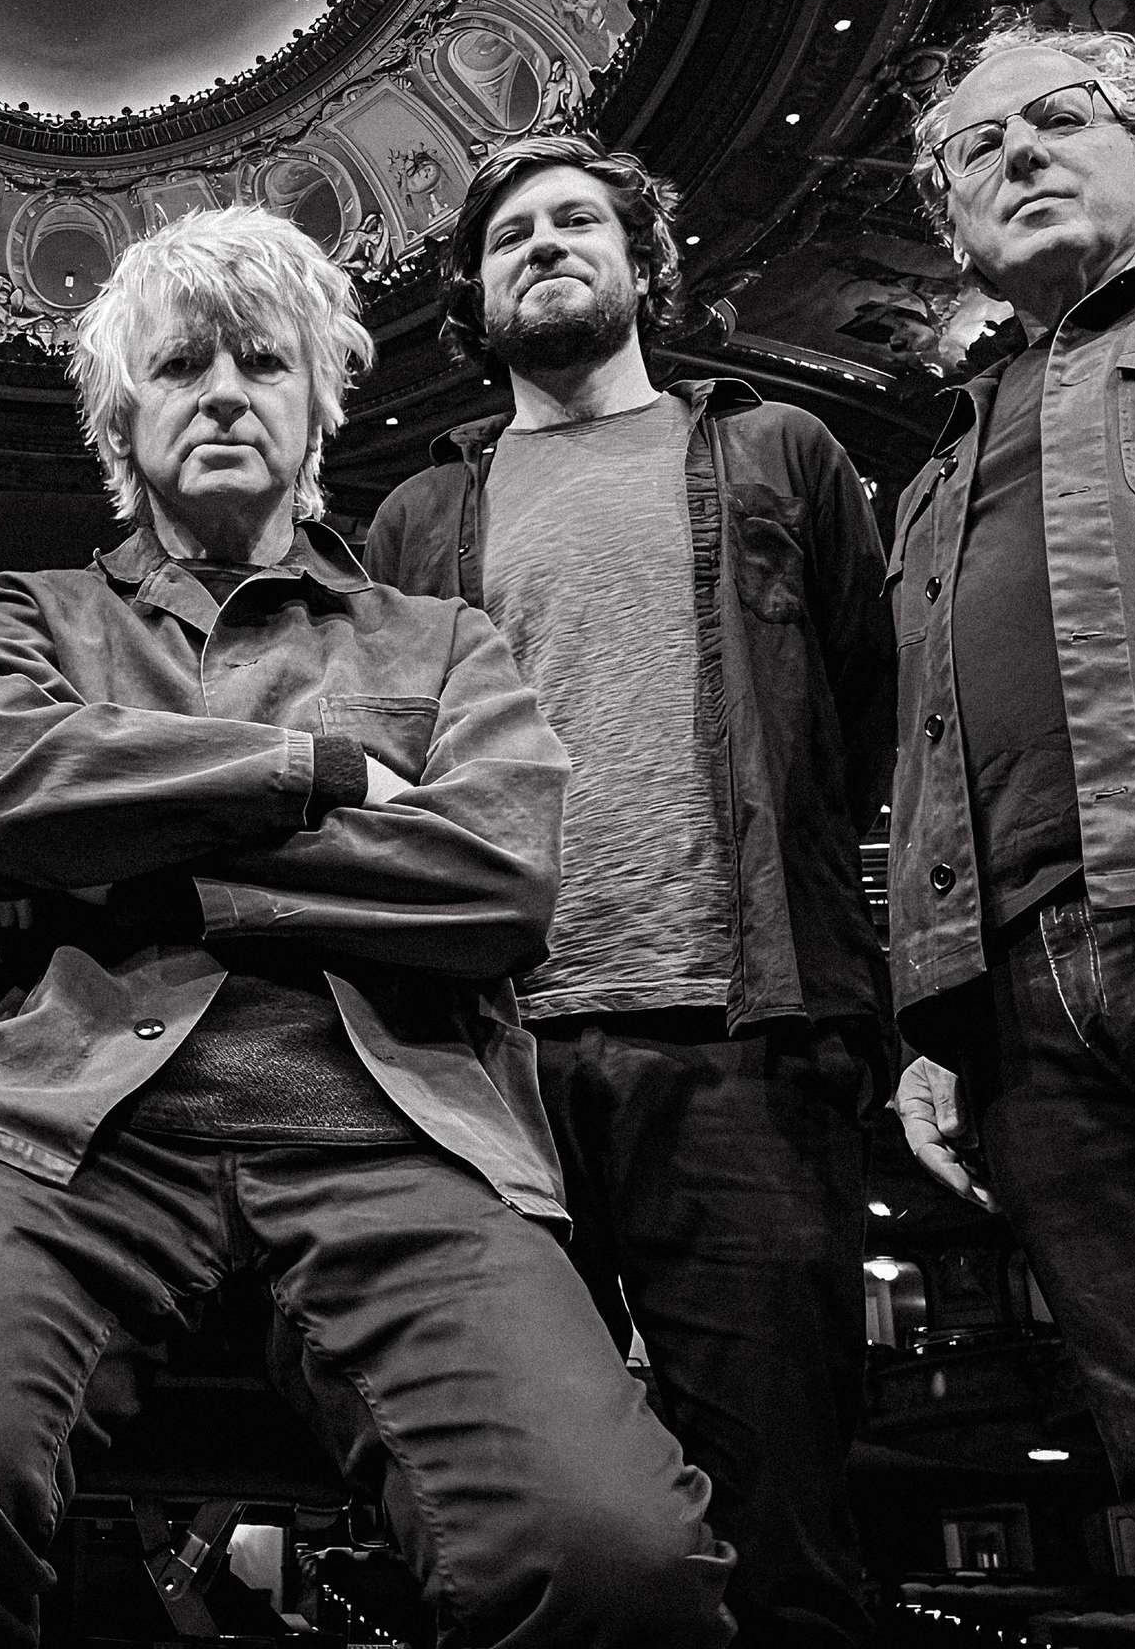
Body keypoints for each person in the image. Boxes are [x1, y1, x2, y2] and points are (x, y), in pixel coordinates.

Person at [0, 204, 736, 1649]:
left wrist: (173, 874)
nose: (224, 392)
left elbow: (500, 873)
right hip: (56, 1130)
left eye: (262, 363)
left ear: (316, 409)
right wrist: (317, 770)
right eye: (180, 367)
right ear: (122, 418)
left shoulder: (445, 639)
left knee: (622, 1558)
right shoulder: (34, 611)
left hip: (397, 1140)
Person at [366, 133, 894, 1649]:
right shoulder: (415, 518)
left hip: (742, 1045)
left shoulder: (779, 451)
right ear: (475, 296)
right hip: (485, 1066)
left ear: (643, 262)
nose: (543, 244)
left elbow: (860, 713)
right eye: (510, 234)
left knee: (785, 1526)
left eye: (576, 221)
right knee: (511, 1522)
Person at [888, 17, 1135, 1647]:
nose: (1019, 151)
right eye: (979, 145)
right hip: (1020, 1006)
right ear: (953, 223)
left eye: (1061, 117)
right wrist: (931, 1024)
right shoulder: (928, 473)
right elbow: (921, 756)